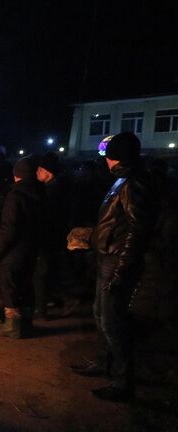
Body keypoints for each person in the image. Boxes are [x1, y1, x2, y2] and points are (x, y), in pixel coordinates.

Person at [71, 132, 155, 402]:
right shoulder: (121, 180)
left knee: (113, 321)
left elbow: (137, 230)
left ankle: (122, 383)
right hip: (107, 257)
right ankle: (102, 363)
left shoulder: (132, 183)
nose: (105, 160)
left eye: (108, 155)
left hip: (116, 261)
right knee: (100, 314)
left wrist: (121, 269)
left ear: (116, 157)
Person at [0, 157, 45, 338]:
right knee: (27, 285)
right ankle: (26, 324)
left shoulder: (15, 195)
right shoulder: (41, 192)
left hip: (14, 251)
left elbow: (9, 227)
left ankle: (13, 326)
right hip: (32, 248)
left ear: (16, 175)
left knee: (10, 286)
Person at [33, 152, 70, 319]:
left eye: (39, 170)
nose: (36, 173)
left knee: (41, 273)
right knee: (49, 271)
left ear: (47, 171)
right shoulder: (58, 187)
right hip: (55, 238)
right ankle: (53, 300)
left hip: (49, 238)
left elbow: (48, 217)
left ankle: (42, 310)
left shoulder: (52, 191)